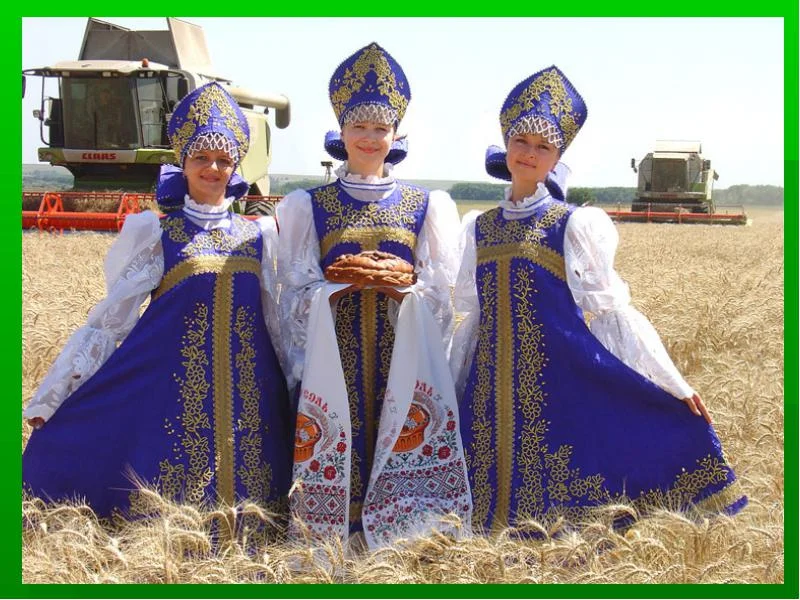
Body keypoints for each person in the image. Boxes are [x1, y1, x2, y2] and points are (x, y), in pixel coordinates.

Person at [450, 66, 747, 535]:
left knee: (562, 498)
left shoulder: (573, 225)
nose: (529, 153)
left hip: (559, 383)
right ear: (505, 145)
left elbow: (611, 313)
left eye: (543, 147)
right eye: (521, 141)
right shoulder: (478, 228)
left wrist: (670, 382)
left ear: (556, 159)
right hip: (488, 390)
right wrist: (450, 387)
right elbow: (473, 319)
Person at [23, 82, 292, 540]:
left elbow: (280, 322)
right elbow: (109, 323)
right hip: (173, 391)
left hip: (249, 395)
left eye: (223, 160)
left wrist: (300, 384)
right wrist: (55, 395)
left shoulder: (261, 236)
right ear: (182, 162)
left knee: (256, 514)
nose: (213, 168)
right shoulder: (157, 233)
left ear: (236, 166)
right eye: (201, 158)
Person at [277, 42, 471, 548]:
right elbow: (292, 295)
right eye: (358, 126)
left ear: (396, 135)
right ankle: (334, 532)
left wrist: (407, 288)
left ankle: (402, 529)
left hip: (399, 352)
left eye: (380, 128)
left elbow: (442, 296)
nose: (369, 137)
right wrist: (336, 287)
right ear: (341, 133)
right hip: (334, 354)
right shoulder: (308, 205)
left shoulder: (425, 205)